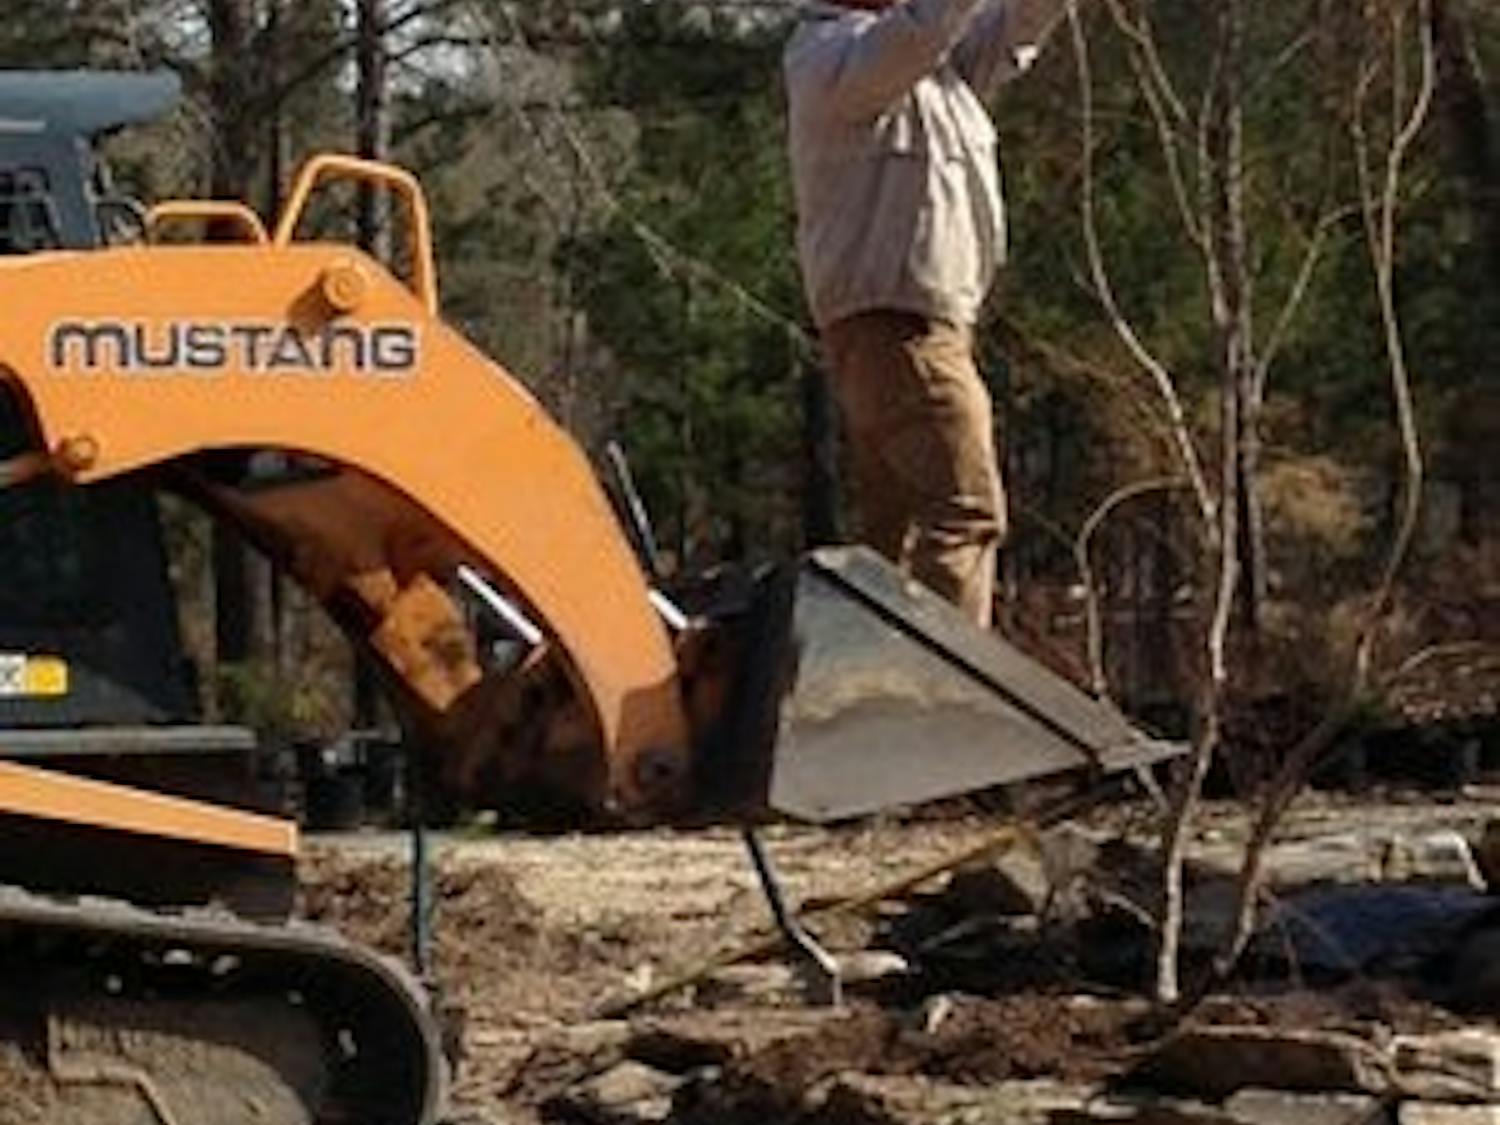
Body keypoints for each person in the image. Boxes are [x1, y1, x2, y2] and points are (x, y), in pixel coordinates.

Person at [785, 0, 1072, 628]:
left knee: (898, 538)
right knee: (964, 512)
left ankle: (883, 700)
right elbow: (924, 29)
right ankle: (946, 703)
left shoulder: (929, 70)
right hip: (899, 332)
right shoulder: (832, 58)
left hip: (914, 333)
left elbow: (1016, 24)